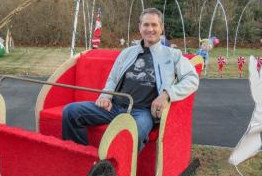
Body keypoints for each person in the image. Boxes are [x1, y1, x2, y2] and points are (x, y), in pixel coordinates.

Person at [62, 8, 199, 151]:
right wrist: (105, 96)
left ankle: (118, 170)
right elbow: (113, 79)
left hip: (143, 112)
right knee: (71, 112)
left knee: (135, 132)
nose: (150, 29)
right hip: (114, 106)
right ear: (140, 27)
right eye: (146, 25)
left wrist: (167, 94)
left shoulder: (172, 55)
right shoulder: (127, 53)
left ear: (161, 28)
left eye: (154, 25)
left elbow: (192, 79)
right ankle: (80, 155)